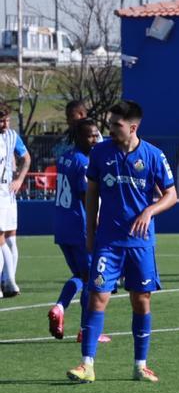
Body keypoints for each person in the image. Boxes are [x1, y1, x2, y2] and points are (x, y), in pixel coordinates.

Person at [66, 101, 179, 383]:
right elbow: (92, 193)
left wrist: (149, 211)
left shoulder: (153, 155)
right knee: (97, 297)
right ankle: (87, 364)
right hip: (109, 241)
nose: (110, 129)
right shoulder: (100, 153)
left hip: (140, 244)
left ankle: (140, 365)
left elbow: (171, 194)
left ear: (133, 127)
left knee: (141, 301)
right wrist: (90, 231)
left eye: (116, 125)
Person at [48, 119, 111, 344]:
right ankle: (86, 331)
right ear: (79, 137)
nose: (95, 139)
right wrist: (96, 228)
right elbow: (88, 200)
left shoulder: (66, 156)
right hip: (79, 227)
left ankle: (59, 307)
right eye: (90, 136)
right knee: (91, 279)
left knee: (81, 277)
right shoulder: (84, 163)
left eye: (96, 135)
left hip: (62, 225)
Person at [0, 103, 30, 297]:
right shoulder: (10, 136)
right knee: (7, 239)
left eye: (7, 120)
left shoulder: (12, 136)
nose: (5, 124)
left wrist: (19, 179)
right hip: (5, 194)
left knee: (8, 239)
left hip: (6, 195)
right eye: (1, 120)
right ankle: (9, 283)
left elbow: (26, 158)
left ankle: (8, 282)